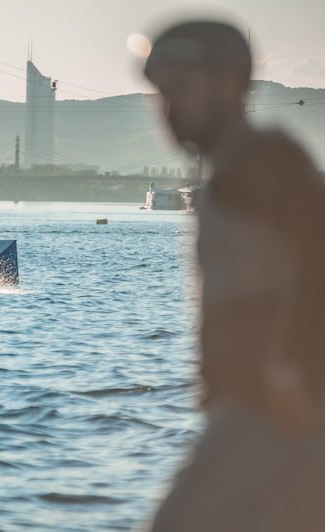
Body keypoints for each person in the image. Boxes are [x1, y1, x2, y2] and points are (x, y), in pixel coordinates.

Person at [143, 21, 325, 530]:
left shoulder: (262, 161)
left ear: (228, 83)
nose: (168, 107)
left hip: (279, 416)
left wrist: (292, 368)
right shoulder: (227, 168)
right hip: (250, 413)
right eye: (161, 93)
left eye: (181, 89)